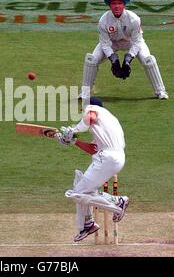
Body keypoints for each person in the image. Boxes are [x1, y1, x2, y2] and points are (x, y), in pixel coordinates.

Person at [55, 97, 130, 242]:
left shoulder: (94, 110)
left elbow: (90, 116)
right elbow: (93, 149)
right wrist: (73, 140)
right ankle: (87, 224)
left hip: (107, 157)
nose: (84, 113)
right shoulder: (109, 121)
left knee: (77, 192)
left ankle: (118, 203)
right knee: (83, 191)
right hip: (116, 157)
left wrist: (74, 130)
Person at [81, 0, 168, 100]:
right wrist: (113, 58)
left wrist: (129, 57)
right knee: (91, 59)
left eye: (119, 3)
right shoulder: (103, 20)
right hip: (112, 43)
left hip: (131, 42)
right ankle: (85, 93)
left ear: (124, 5)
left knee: (148, 60)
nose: (117, 6)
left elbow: (137, 42)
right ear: (109, 5)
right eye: (114, 3)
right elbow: (105, 43)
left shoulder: (134, 19)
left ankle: (160, 91)